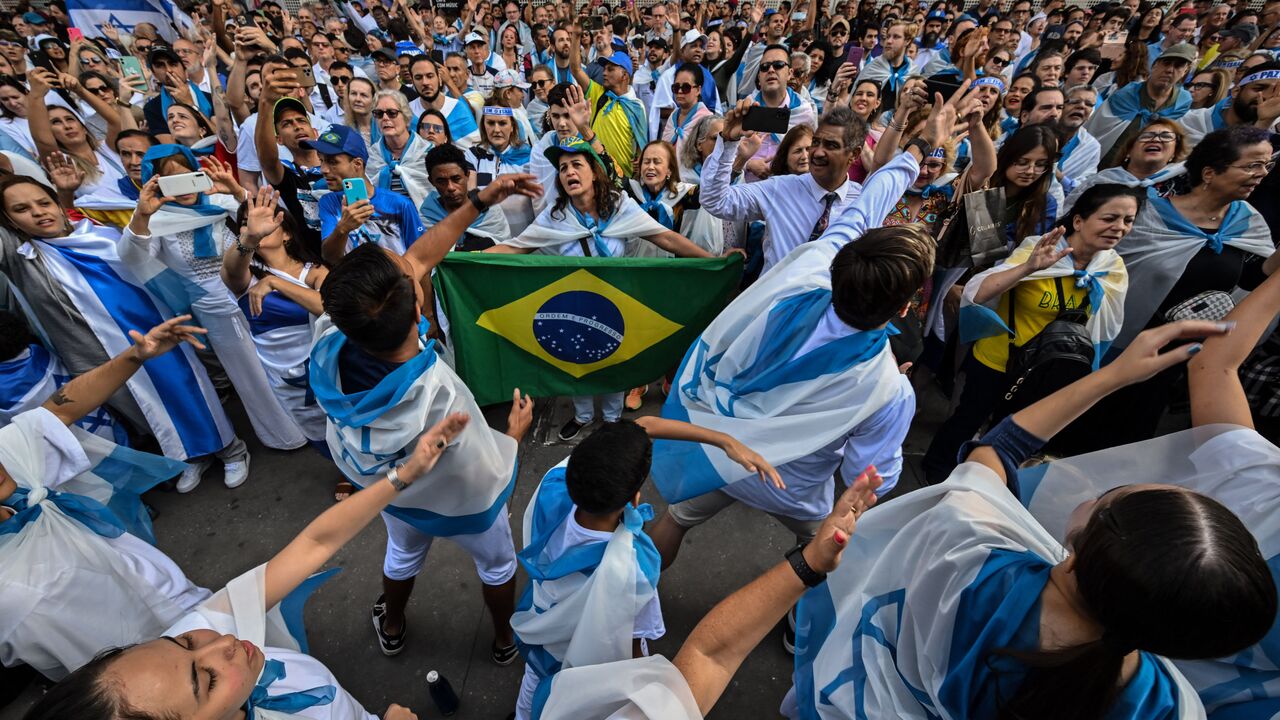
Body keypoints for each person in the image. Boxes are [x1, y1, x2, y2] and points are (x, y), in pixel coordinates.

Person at [788, 318, 1271, 720]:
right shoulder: (1170, 707)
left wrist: (1113, 376)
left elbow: (993, 453)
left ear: (1081, 546)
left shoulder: (970, 556)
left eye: (1111, 496)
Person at [646, 94, 956, 633]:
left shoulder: (805, 268)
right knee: (818, 550)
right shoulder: (886, 388)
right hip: (792, 484)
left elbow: (866, 204)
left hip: (722, 448)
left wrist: (918, 147)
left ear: (840, 263)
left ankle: (631, 597)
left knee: (675, 518)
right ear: (906, 307)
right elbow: (867, 481)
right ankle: (794, 625)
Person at [22, 414, 467, 720]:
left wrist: (405, 473)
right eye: (206, 680)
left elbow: (314, 543)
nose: (224, 643)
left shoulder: (205, 637)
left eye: (182, 641)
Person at [310, 176, 538, 663]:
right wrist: (513, 437)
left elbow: (417, 259)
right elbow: (487, 471)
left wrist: (479, 200)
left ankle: (392, 625)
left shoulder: (329, 337)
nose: (413, 260)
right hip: (466, 508)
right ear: (420, 307)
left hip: (394, 495)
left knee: (402, 555)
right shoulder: (441, 395)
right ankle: (503, 640)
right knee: (498, 566)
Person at [510, 418, 776, 720]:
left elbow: (639, 428)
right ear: (634, 498)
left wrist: (724, 441)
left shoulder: (553, 484)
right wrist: (723, 440)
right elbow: (634, 642)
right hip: (584, 658)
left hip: (542, 625)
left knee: (532, 682)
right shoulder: (632, 563)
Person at [0, 316, 211, 681]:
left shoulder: (11, 460)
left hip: (184, 604)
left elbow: (58, 410)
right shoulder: (20, 597)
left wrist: (136, 355)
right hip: (171, 665)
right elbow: (113, 669)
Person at [490, 139, 710, 441]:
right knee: (577, 362)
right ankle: (582, 416)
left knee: (613, 361)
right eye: (563, 168)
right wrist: (465, 259)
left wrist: (713, 261)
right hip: (574, 307)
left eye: (577, 165)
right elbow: (516, 248)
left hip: (615, 305)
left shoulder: (621, 206)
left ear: (594, 172)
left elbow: (667, 239)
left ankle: (611, 418)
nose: (569, 172)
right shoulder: (555, 217)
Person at [923, 183, 1140, 483]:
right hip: (998, 361)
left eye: (1128, 220)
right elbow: (980, 292)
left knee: (1008, 431)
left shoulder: (1111, 268)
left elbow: (1106, 327)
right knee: (967, 420)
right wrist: (1028, 267)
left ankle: (977, 482)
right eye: (1109, 218)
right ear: (1078, 220)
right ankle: (935, 475)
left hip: (1044, 372)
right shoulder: (1040, 249)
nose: (1119, 228)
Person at [124, 146, 308, 471]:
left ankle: (315, 420)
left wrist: (236, 192)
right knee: (250, 374)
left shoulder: (221, 204)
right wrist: (142, 214)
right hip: (214, 311)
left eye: (186, 177)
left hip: (257, 295)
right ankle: (286, 435)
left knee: (285, 360)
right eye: (170, 180)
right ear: (156, 184)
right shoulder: (157, 220)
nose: (181, 187)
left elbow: (263, 226)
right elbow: (132, 257)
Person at [701, 98, 923, 276]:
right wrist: (728, 141)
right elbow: (716, 201)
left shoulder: (861, 200)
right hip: (772, 309)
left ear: (854, 155)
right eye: (816, 142)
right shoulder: (779, 189)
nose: (816, 152)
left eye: (831, 145)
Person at [221, 187, 330, 456]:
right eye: (245, 224)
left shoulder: (314, 272)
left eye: (266, 222)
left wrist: (276, 283)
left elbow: (328, 306)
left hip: (325, 366)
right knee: (318, 433)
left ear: (287, 232)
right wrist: (251, 237)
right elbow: (231, 268)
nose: (255, 227)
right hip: (285, 378)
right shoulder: (244, 277)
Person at [312, 124, 426, 263]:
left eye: (332, 162)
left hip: (396, 283)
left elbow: (420, 260)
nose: (323, 169)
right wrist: (343, 229)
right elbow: (330, 257)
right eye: (321, 160)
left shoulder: (400, 204)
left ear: (358, 164)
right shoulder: (328, 202)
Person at [1086, 42, 1195, 168]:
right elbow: (1096, 131)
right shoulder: (1126, 94)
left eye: (1178, 66)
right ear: (1154, 66)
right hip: (1106, 162)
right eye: (1166, 63)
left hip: (1145, 168)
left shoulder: (1183, 102)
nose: (1170, 70)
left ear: (1185, 71)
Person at [568, 23, 648, 178]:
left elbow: (641, 143)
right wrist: (576, 35)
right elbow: (576, 69)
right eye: (604, 68)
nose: (604, 72)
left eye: (610, 69)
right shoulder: (598, 93)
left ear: (625, 75)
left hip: (624, 180)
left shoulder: (637, 106)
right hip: (596, 176)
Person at [626, 140, 722, 256]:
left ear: (669, 170)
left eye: (657, 162)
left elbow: (713, 192)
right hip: (635, 268)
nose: (650, 167)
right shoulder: (630, 192)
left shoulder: (684, 194)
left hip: (672, 269)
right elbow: (609, 172)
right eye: (646, 162)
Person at [421, 143, 511, 252]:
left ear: (467, 175)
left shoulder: (489, 210)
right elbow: (423, 254)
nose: (450, 187)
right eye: (441, 181)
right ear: (431, 181)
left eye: (456, 179)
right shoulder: (428, 214)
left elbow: (504, 250)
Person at [1180, 61, 1280, 145]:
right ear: (1235, 91)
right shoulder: (1191, 121)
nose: (1266, 97)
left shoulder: (1273, 136)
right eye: (1260, 88)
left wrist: (1264, 122)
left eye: (1276, 93)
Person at [993, 124, 1060, 249]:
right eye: (1022, 162)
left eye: (1040, 165)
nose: (1030, 171)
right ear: (1007, 157)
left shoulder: (1046, 204)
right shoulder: (982, 186)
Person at [365, 90, 435, 207]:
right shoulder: (371, 156)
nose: (385, 118)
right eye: (379, 113)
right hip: (382, 222)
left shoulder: (428, 153)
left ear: (406, 117)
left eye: (392, 113)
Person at [660, 62, 714, 181]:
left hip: (695, 186)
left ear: (698, 90)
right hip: (670, 183)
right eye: (675, 87)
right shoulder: (673, 115)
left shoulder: (707, 120)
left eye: (686, 87)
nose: (679, 91)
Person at [859, 20, 917, 115]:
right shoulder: (873, 66)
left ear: (907, 41)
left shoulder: (913, 72)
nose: (889, 41)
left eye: (896, 37)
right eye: (888, 36)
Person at [1056, 84, 1101, 194]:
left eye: (1089, 104)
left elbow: (1083, 188)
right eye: (1075, 101)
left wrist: (1059, 177)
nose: (1082, 106)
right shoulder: (1040, 130)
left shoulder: (1092, 146)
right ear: (1061, 105)